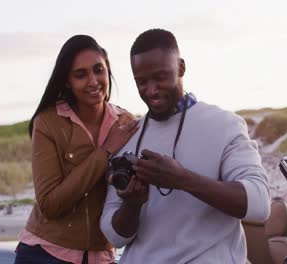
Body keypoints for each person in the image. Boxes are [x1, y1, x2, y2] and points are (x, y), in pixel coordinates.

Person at [100, 29, 271, 263]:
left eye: (160, 77)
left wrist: (182, 179)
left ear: (180, 67)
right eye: (141, 82)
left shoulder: (224, 125)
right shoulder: (129, 136)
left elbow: (259, 203)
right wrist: (132, 204)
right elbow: (114, 235)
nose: (151, 90)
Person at [14, 35, 139, 264]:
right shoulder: (48, 122)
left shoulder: (126, 122)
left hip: (102, 257)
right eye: (81, 74)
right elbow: (50, 204)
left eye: (98, 70)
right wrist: (106, 151)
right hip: (45, 254)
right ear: (66, 81)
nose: (93, 81)